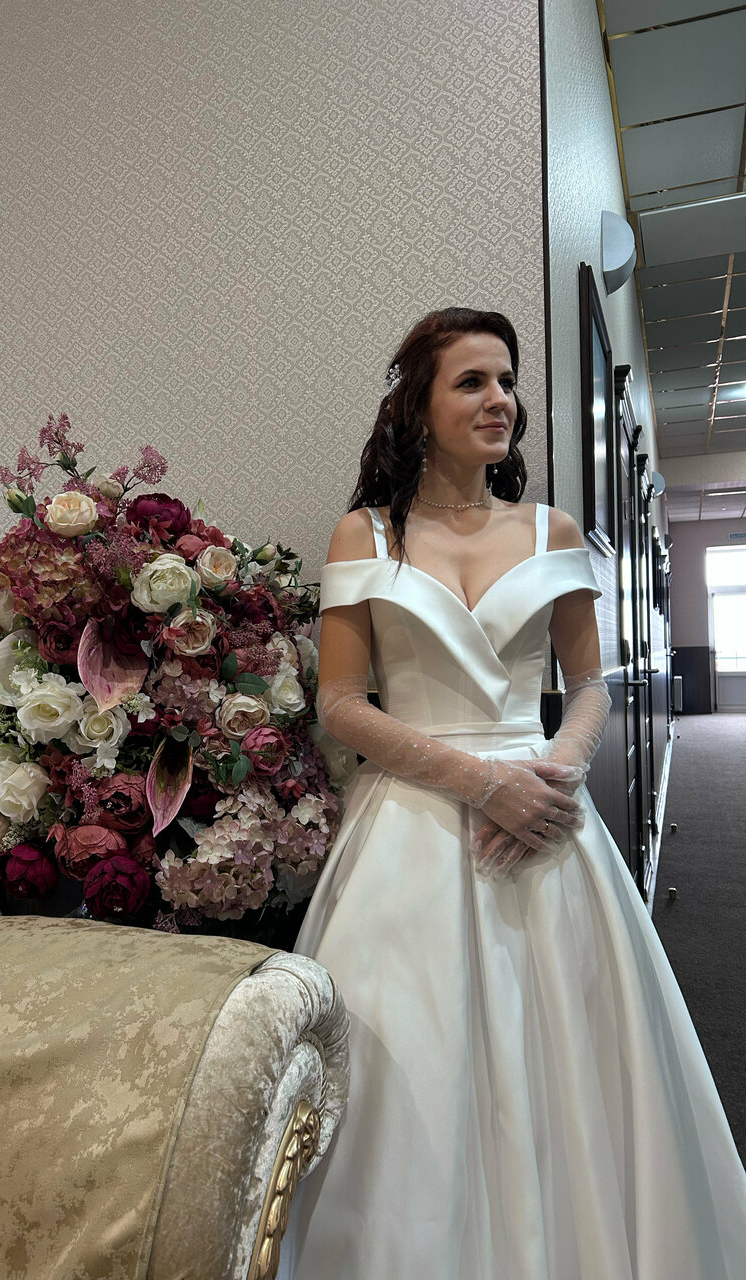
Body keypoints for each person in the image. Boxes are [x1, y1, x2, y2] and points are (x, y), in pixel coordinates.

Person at [279, 308, 746, 1279]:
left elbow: (590, 686)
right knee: (413, 1072)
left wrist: (553, 776)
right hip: (411, 828)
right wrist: (481, 781)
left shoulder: (550, 530)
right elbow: (341, 704)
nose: (501, 400)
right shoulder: (365, 533)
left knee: (576, 1061)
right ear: (418, 407)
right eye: (473, 382)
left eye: (507, 381)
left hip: (544, 815)